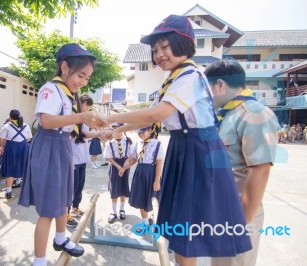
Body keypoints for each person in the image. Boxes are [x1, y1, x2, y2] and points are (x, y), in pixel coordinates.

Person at [100, 15, 251, 265]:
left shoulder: (189, 76)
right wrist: (117, 130)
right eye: (155, 49)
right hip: (184, 148)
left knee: (189, 227)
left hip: (197, 150)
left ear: (183, 44)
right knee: (182, 227)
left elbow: (155, 114)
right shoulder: (172, 80)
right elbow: (147, 120)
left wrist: (108, 119)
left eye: (165, 47)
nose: (159, 54)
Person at [18, 43, 100, 266]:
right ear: (64, 67)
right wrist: (81, 118)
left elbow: (76, 127)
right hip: (49, 146)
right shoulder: (50, 89)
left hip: (64, 146)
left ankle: (61, 238)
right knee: (47, 209)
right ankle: (39, 260)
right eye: (81, 75)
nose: (83, 82)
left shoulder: (69, 94)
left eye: (87, 78)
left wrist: (103, 130)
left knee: (65, 198)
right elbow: (46, 121)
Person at [204, 59, 279, 266]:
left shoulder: (255, 114)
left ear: (220, 85)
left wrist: (242, 222)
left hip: (238, 214)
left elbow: (260, 171)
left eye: (207, 88)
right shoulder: (229, 115)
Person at [67, 94, 104, 227]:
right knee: (71, 187)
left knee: (79, 186)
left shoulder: (85, 120)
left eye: (89, 105)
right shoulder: (72, 117)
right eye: (85, 104)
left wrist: (99, 132)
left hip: (82, 157)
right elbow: (82, 134)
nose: (87, 107)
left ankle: (75, 208)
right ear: (78, 103)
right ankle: (66, 214)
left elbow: (86, 135)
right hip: (72, 159)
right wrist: (99, 134)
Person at [121, 126, 163, 232]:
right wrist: (124, 167)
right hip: (140, 172)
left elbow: (159, 162)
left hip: (152, 172)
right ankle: (144, 222)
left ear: (150, 130)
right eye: (138, 133)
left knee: (153, 198)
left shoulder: (157, 144)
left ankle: (152, 218)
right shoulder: (138, 143)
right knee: (140, 197)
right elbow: (134, 158)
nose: (140, 135)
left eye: (142, 132)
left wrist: (157, 180)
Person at [0, 109, 32, 199]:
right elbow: (29, 138)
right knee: (24, 166)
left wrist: (2, 146)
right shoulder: (26, 125)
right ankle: (21, 186)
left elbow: (1, 139)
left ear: (10, 116)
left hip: (11, 147)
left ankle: (8, 191)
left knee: (11, 167)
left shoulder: (7, 126)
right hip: (24, 147)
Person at [103, 122, 133, 224]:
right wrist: (118, 167)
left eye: (118, 129)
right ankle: (113, 211)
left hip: (125, 166)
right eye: (114, 129)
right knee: (114, 188)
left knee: (123, 188)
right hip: (115, 166)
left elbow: (132, 154)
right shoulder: (110, 143)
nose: (116, 131)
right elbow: (108, 157)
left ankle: (122, 209)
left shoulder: (128, 141)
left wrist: (125, 165)